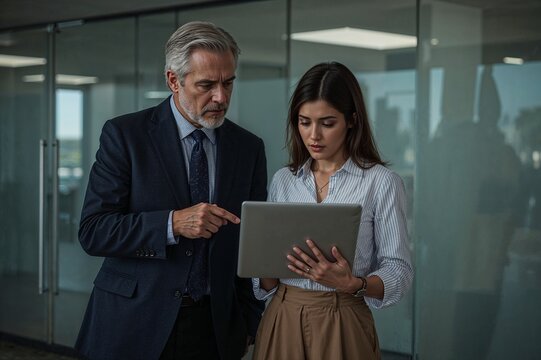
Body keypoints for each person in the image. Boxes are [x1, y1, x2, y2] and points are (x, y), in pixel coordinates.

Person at [75, 21, 267, 360]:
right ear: (173, 81)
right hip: (132, 322)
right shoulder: (125, 135)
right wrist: (172, 223)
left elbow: (250, 243)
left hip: (214, 329)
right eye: (207, 84)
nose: (221, 97)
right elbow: (93, 231)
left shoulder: (248, 148)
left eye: (228, 83)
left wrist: (249, 319)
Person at [252, 62, 413, 360]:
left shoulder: (381, 182)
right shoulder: (283, 180)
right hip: (283, 315)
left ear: (352, 120)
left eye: (327, 123)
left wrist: (355, 284)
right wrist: (262, 266)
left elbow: (399, 270)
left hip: (344, 316)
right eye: (304, 122)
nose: (314, 135)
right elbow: (267, 282)